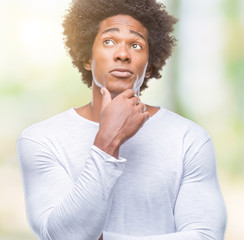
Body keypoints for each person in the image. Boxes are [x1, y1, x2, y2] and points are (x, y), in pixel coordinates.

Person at [16, 0, 227, 239]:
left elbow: (206, 236)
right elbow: (63, 235)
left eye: (136, 45)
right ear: (87, 58)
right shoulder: (41, 140)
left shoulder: (189, 139)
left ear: (148, 66)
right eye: (109, 41)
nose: (123, 54)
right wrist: (107, 141)